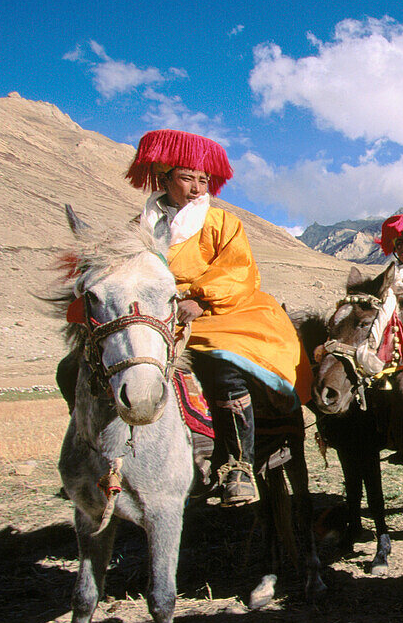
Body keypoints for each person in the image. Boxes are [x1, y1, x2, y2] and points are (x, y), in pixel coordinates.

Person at [126, 129, 313, 506]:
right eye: (187, 178)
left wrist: (199, 298)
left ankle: (238, 464)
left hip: (219, 310)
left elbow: (238, 270)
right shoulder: (141, 227)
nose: (197, 188)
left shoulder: (222, 223)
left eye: (203, 180)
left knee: (222, 361)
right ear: (164, 177)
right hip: (155, 311)